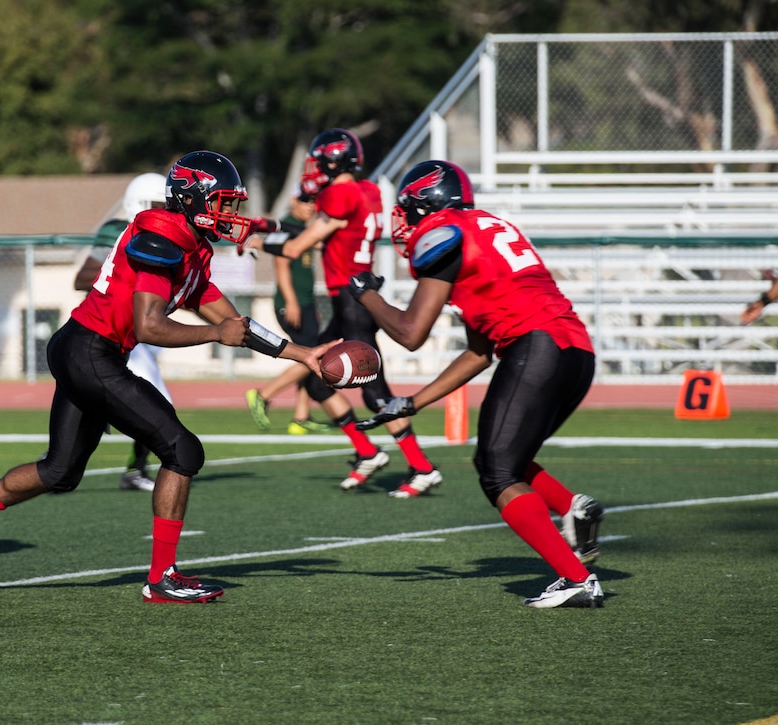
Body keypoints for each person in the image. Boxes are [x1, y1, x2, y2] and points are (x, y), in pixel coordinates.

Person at [0, 150, 335, 603]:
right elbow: (150, 326)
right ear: (191, 198)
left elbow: (234, 321)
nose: (228, 214)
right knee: (182, 450)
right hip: (91, 352)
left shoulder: (191, 247)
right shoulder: (163, 237)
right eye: (221, 202)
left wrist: (304, 355)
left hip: (86, 349)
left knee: (59, 472)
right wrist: (215, 333)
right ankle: (161, 578)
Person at [351, 159, 605, 608]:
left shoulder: (442, 231)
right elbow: (478, 352)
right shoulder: (486, 227)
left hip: (536, 347)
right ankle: (571, 508)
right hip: (574, 352)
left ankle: (576, 579)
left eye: (407, 209)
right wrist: (413, 402)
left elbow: (411, 334)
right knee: (502, 457)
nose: (402, 220)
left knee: (497, 471)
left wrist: (366, 293)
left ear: (424, 204)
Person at [246, 128, 440, 495]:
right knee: (317, 377)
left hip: (353, 299)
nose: (315, 170)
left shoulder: (339, 194)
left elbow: (295, 246)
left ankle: (421, 466)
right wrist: (269, 228)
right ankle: (367, 451)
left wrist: (258, 239)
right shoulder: (367, 190)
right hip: (352, 296)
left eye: (319, 162)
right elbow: (317, 231)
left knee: (375, 391)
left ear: (332, 163)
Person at [73, 172, 171, 491]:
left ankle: (134, 468)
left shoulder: (167, 232)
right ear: (140, 204)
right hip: (110, 332)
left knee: (148, 402)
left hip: (137, 332)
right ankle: (129, 468)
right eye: (159, 204)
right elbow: (82, 277)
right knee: (155, 402)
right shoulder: (120, 231)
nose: (166, 210)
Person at [244, 189, 332, 435]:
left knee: (310, 355)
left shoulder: (305, 228)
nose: (310, 206)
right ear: (293, 200)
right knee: (311, 356)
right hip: (291, 303)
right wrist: (292, 301)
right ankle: (262, 395)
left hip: (306, 303)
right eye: (305, 200)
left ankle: (300, 417)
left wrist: (309, 305)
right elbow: (281, 265)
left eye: (314, 201)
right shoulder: (288, 226)